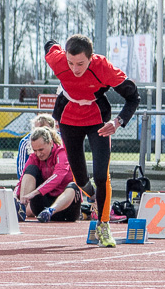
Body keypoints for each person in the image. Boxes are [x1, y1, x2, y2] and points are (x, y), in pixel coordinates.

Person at [45, 34, 140, 247]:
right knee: (80, 178)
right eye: (71, 63)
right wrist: (54, 45)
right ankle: (93, 196)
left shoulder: (103, 67)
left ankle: (103, 226)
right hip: (68, 119)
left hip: (98, 120)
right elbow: (49, 45)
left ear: (91, 58)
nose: (75, 69)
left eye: (80, 63)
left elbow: (133, 96)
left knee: (100, 174)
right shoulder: (58, 60)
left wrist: (117, 122)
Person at [14, 126, 81, 222]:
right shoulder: (34, 157)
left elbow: (58, 176)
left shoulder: (62, 152)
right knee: (31, 169)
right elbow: (22, 180)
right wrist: (14, 195)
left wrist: (34, 193)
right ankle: (21, 207)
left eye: (41, 150)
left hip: (67, 208)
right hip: (43, 206)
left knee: (74, 186)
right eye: (35, 150)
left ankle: (51, 210)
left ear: (50, 143)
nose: (38, 154)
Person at [16, 113, 57, 179]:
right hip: (36, 180)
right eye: (36, 130)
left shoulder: (61, 141)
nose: (40, 132)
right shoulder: (26, 142)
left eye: (44, 129)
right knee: (31, 169)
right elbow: (22, 171)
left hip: (56, 180)